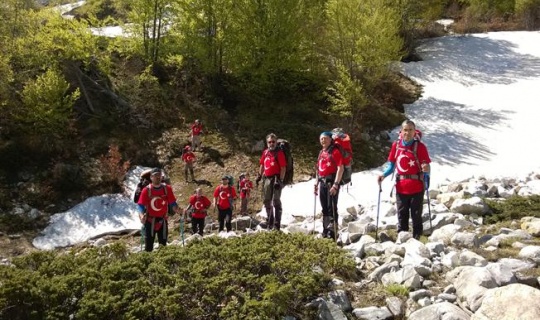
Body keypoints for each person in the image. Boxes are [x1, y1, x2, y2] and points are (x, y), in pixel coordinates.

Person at [377, 120, 431, 239]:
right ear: (401, 131)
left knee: (416, 215)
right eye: (405, 130)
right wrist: (383, 175)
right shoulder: (396, 146)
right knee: (402, 214)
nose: (407, 132)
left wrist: (426, 173)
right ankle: (403, 238)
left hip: (417, 186)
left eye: (410, 130)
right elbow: (391, 165)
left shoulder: (420, 147)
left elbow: (427, 166)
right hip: (401, 186)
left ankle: (417, 238)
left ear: (414, 131)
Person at [137, 168, 182, 252]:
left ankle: (163, 263)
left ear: (161, 176)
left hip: (163, 221)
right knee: (148, 247)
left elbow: (172, 203)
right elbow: (140, 205)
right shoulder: (146, 190)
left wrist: (177, 210)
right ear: (151, 177)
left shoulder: (167, 189)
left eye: (159, 175)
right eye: (155, 175)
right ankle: (148, 263)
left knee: (163, 246)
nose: (157, 177)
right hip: (150, 221)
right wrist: (141, 215)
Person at [314, 132, 344, 240]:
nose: (323, 141)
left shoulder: (335, 152)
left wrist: (336, 185)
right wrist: (316, 183)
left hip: (331, 183)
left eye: (325, 138)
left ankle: (333, 232)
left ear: (331, 139)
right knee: (324, 208)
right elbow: (318, 169)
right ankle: (325, 230)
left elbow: (340, 168)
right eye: (321, 139)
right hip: (322, 183)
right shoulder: (321, 152)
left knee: (331, 207)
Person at [256, 133, 286, 231]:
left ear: (276, 142)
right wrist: (259, 175)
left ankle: (276, 225)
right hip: (266, 179)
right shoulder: (265, 152)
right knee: (266, 200)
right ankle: (270, 221)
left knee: (276, 201)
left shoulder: (279, 153)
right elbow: (262, 164)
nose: (271, 143)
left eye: (273, 142)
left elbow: (283, 168)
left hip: (276, 179)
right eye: (269, 142)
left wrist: (280, 181)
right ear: (267, 143)